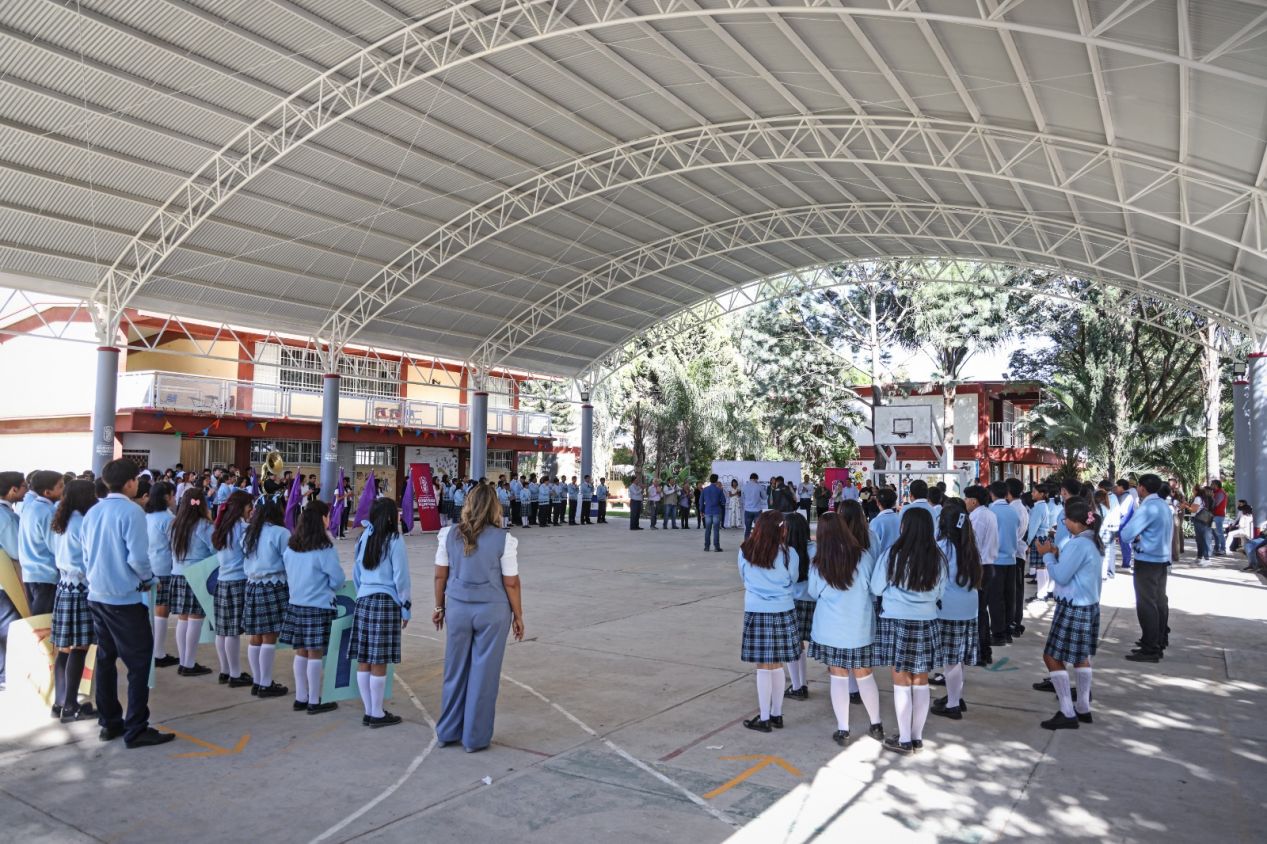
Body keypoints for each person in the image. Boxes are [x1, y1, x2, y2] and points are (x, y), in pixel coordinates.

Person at [80, 459, 175, 748]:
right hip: (124, 597)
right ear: (131, 482)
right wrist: (147, 578)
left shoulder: (92, 511)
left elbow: (85, 555)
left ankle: (110, 722)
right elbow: (137, 558)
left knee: (107, 660)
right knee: (139, 663)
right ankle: (136, 727)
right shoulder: (132, 512)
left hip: (97, 595)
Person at [434, 483, 524, 752]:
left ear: (468, 504)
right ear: (495, 507)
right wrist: (518, 616)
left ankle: (448, 731)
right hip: (492, 612)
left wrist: (439, 608)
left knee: (454, 670)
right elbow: (511, 583)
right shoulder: (504, 539)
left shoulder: (448, 535)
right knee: (484, 675)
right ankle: (475, 738)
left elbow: (440, 575)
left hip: (458, 609)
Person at [870, 508, 946, 755]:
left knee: (901, 680)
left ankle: (903, 739)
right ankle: (917, 737)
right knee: (921, 680)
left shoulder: (892, 555)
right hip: (927, 620)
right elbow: (940, 593)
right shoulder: (937, 557)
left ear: (904, 527)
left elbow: (876, 587)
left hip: (896, 620)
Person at [808, 509, 885, 745]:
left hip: (830, 628)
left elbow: (813, 593)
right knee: (865, 675)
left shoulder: (819, 562)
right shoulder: (863, 556)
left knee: (838, 677)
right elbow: (873, 589)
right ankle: (876, 724)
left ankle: (843, 729)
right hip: (859, 626)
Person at [1033, 497, 1103, 729]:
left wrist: (1047, 555)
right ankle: (1083, 707)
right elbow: (1073, 569)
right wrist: (1056, 554)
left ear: (1075, 522)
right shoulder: (1091, 540)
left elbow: (1061, 576)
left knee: (1052, 656)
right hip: (1088, 603)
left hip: (1073, 605)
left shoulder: (1078, 544)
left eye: (1065, 519)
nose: (1063, 522)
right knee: (1081, 657)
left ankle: (1067, 710)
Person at [351, 497, 411, 728]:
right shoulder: (395, 539)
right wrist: (405, 608)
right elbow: (401, 577)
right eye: (396, 513)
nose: (399, 516)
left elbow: (356, 571)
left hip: (364, 600)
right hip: (386, 603)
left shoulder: (364, 536)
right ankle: (376, 713)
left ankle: (370, 710)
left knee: (364, 658)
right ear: (388, 516)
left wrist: (362, 592)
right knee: (379, 660)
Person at [280, 500, 345, 714]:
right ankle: (315, 700)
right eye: (328, 516)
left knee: (301, 652)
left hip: (296, 604)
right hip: (318, 605)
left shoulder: (291, 546)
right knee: (315, 654)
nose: (330, 519)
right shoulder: (324, 548)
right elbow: (337, 579)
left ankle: (301, 697)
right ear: (321, 520)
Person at [737, 510, 798, 733]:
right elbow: (792, 579)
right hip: (783, 609)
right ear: (781, 529)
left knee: (763, 666)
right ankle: (777, 714)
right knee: (777, 664)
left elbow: (744, 577)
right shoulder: (789, 553)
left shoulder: (745, 551)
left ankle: (764, 717)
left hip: (756, 609)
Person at [49, 479, 98, 722]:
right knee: (79, 647)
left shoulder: (63, 520)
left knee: (65, 649)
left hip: (64, 587)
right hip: (80, 588)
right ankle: (70, 705)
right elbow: (89, 558)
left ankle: (60, 702)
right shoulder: (82, 522)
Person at [930, 500, 982, 721]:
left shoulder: (942, 548)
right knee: (958, 657)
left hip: (949, 609)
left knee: (950, 659)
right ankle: (955, 695)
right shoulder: (969, 545)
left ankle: (952, 705)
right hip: (969, 607)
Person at [1119, 474, 1174, 663]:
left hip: (1147, 559)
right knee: (1159, 601)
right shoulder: (1164, 506)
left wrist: (1136, 537)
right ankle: (1158, 640)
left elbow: (1126, 534)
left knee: (1146, 604)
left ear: (1142, 488)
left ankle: (1150, 648)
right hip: (1161, 559)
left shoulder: (1148, 507)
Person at [241, 493, 290, 698]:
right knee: (269, 636)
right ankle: (265, 683)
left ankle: (258, 680)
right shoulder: (280, 533)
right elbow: (290, 561)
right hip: (274, 585)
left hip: (252, 585)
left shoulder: (249, 532)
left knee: (256, 636)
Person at [169, 488, 215, 677]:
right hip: (198, 574)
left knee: (183, 618)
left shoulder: (175, 524)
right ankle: (189, 663)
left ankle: (184, 660)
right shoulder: (204, 525)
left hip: (177, 574)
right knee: (196, 618)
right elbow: (215, 549)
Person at [210, 490, 254, 688]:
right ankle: (236, 674)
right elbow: (249, 551)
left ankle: (225, 670)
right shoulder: (243, 528)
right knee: (233, 632)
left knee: (222, 630)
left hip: (222, 581)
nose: (251, 510)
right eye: (249, 506)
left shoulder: (221, 527)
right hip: (238, 581)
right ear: (241, 507)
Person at [18, 469, 64, 621]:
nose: (64, 490)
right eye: (60, 486)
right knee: (43, 623)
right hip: (46, 574)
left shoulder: (29, 507)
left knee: (37, 621)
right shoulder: (48, 512)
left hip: (30, 573)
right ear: (47, 492)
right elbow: (55, 546)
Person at [143, 481, 179, 669]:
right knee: (162, 610)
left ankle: (153, 650)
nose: (174, 498)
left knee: (152, 610)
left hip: (147, 567)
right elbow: (174, 546)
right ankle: (159, 652)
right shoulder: (168, 518)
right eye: (172, 495)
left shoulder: (146, 516)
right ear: (167, 497)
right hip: (163, 568)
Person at [964, 486, 998, 666]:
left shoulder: (977, 517)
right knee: (981, 611)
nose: (965, 502)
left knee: (978, 612)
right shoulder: (989, 514)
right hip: (988, 565)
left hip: (980, 567)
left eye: (966, 498)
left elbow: (973, 544)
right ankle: (983, 651)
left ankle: (981, 652)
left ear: (974, 501)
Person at [0, 471, 27, 689]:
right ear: (12, 490)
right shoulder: (6, 517)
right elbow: (16, 551)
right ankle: (7, 675)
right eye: (23, 486)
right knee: (10, 628)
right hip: (4, 583)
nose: (26, 490)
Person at [784, 512, 813, 701]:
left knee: (794, 646)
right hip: (815, 602)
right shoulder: (815, 549)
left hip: (793, 601)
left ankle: (798, 685)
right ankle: (852, 689)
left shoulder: (785, 552)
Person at [986, 481, 1019, 647]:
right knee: (1008, 597)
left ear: (992, 494)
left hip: (995, 560)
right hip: (1011, 559)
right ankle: (1007, 631)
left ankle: (998, 634)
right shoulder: (1013, 511)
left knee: (995, 598)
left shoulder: (991, 511)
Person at [869, 487, 901, 561]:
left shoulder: (876, 522)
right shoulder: (900, 519)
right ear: (894, 503)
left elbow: (872, 548)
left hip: (882, 562)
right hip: (899, 561)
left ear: (878, 502)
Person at [1186, 486, 1214, 567]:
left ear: (1196, 491)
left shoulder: (1198, 498)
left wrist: (1186, 506)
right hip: (1205, 520)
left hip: (1199, 520)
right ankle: (1200, 557)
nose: (1192, 492)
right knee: (1201, 539)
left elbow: (1194, 510)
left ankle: (1206, 558)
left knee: (1201, 539)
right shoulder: (1204, 498)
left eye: (1193, 490)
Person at [701, 474, 726, 552]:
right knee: (716, 530)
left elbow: (701, 501)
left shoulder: (705, 490)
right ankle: (716, 547)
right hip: (716, 511)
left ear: (710, 480)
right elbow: (723, 501)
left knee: (707, 530)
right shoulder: (719, 490)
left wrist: (701, 510)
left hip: (707, 511)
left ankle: (707, 547)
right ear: (717, 480)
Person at [741, 473, 765, 539]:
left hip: (748, 510)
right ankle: (757, 545)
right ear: (756, 479)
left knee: (747, 529)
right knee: (758, 530)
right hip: (757, 510)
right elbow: (764, 497)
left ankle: (746, 546)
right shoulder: (759, 486)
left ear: (750, 478)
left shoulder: (744, 486)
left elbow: (742, 499)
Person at [1209, 480, 1228, 556]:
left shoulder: (1220, 493)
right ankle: (1217, 548)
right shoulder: (1216, 493)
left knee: (1219, 532)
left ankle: (1223, 549)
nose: (1211, 485)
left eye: (1212, 484)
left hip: (1218, 516)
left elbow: (1215, 504)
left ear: (1216, 485)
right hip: (1215, 516)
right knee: (1214, 532)